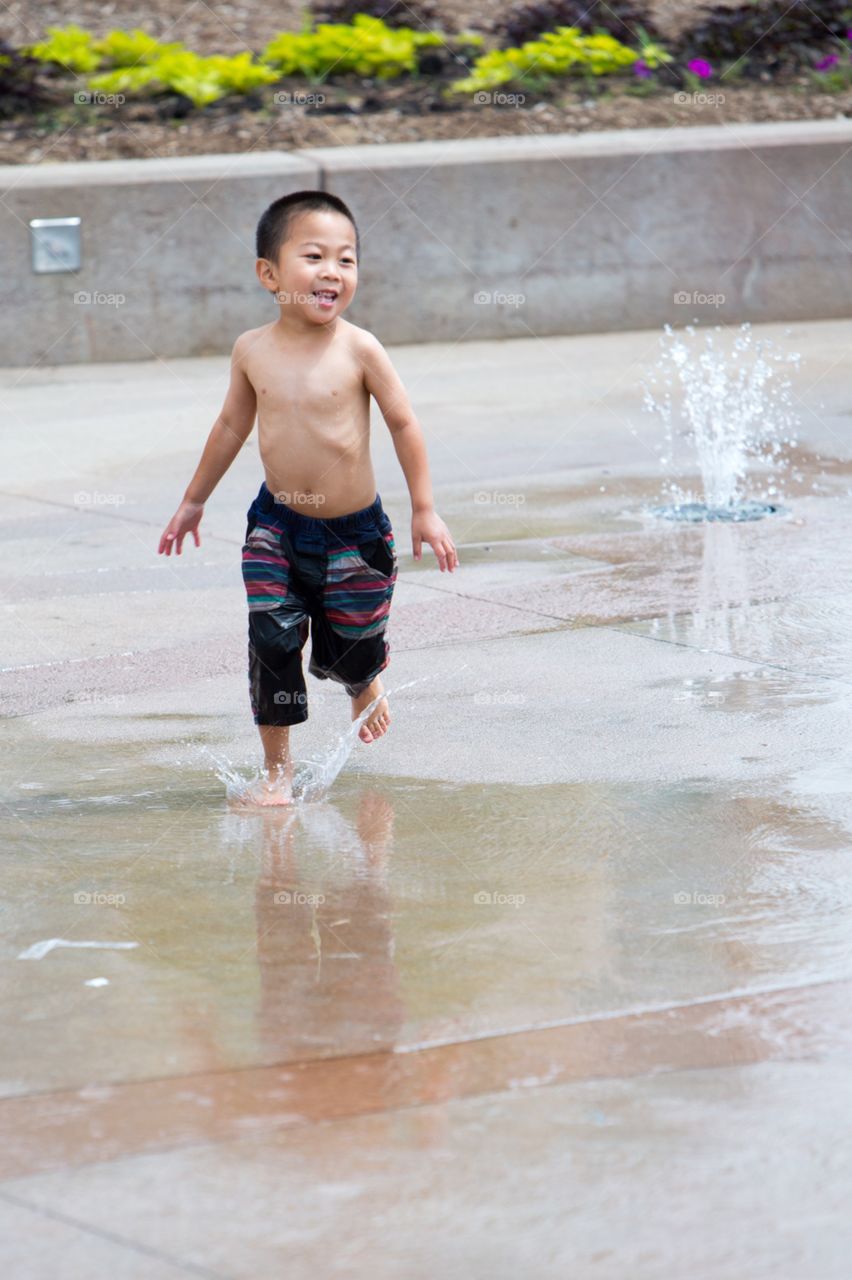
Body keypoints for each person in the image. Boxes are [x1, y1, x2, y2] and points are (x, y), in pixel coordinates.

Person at [157, 190, 458, 805]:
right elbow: (230, 428)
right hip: (276, 526)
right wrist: (194, 501)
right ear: (269, 273)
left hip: (357, 535)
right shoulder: (252, 349)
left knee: (353, 646)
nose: (333, 272)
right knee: (272, 641)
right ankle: (276, 772)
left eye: (346, 260)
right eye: (315, 255)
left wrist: (423, 507)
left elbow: (403, 422)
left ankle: (363, 681)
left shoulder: (359, 348)